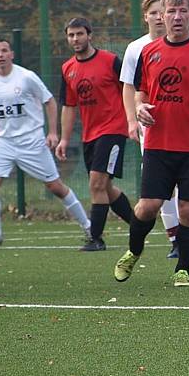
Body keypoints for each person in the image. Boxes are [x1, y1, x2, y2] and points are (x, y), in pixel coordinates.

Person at [113, 0, 189, 287]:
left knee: (188, 211)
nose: (177, 17)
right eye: (171, 12)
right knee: (147, 206)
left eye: (182, 12)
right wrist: (140, 107)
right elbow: (140, 90)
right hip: (158, 143)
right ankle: (133, 251)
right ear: (162, 16)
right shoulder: (148, 53)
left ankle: (183, 269)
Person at [0, 39, 90, 248]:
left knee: (55, 187)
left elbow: (50, 101)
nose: (0, 55)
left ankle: (89, 227)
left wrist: (52, 132)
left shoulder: (26, 77)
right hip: (2, 143)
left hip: (32, 142)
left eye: (4, 51)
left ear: (12, 54)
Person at [56, 17, 133, 251]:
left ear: (90, 35)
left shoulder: (110, 61)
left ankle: (96, 238)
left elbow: (129, 91)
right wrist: (64, 139)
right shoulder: (68, 68)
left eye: (80, 34)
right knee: (104, 188)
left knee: (96, 183)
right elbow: (69, 106)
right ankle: (139, 223)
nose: (75, 39)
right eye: (71, 35)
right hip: (90, 135)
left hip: (113, 130)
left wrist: (133, 120)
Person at [120, 0, 182, 258]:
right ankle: (176, 239)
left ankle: (183, 234)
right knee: (164, 185)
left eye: (163, 11)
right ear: (146, 17)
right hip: (153, 126)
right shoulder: (137, 48)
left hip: (181, 123)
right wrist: (132, 120)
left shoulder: (185, 44)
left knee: (182, 183)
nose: (159, 17)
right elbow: (128, 87)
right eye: (154, 12)